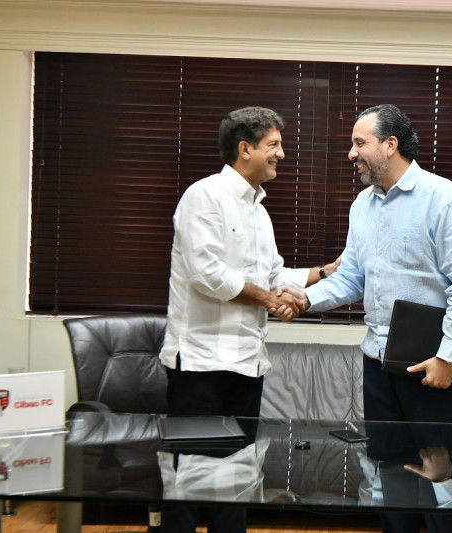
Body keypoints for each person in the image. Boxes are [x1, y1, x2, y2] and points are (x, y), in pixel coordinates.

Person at [283, 104, 452, 533]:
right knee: (390, 476)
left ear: (390, 145)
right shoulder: (363, 205)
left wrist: (448, 358)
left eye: (360, 143)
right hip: (378, 363)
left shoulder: (444, 198)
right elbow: (352, 278)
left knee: (443, 483)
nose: (351, 154)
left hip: (434, 367)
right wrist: (303, 299)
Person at [158, 106, 338, 533]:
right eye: (273, 145)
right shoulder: (204, 196)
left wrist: (331, 271)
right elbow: (208, 275)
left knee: (237, 480)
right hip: (201, 366)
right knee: (188, 481)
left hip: (246, 363)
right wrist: (271, 302)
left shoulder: (259, 211)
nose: (282, 154)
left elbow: (276, 275)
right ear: (245, 149)